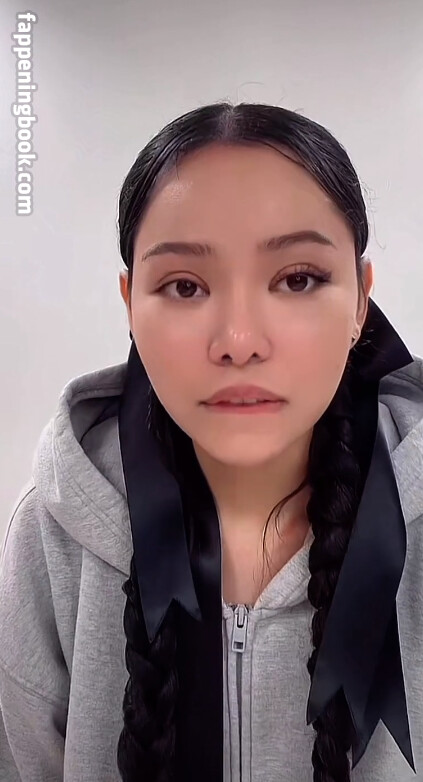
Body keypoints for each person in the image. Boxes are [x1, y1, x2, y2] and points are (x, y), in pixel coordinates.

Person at [1, 101, 422, 782]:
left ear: (359, 302)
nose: (238, 341)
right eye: (184, 285)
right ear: (129, 303)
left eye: (298, 279)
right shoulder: (54, 534)